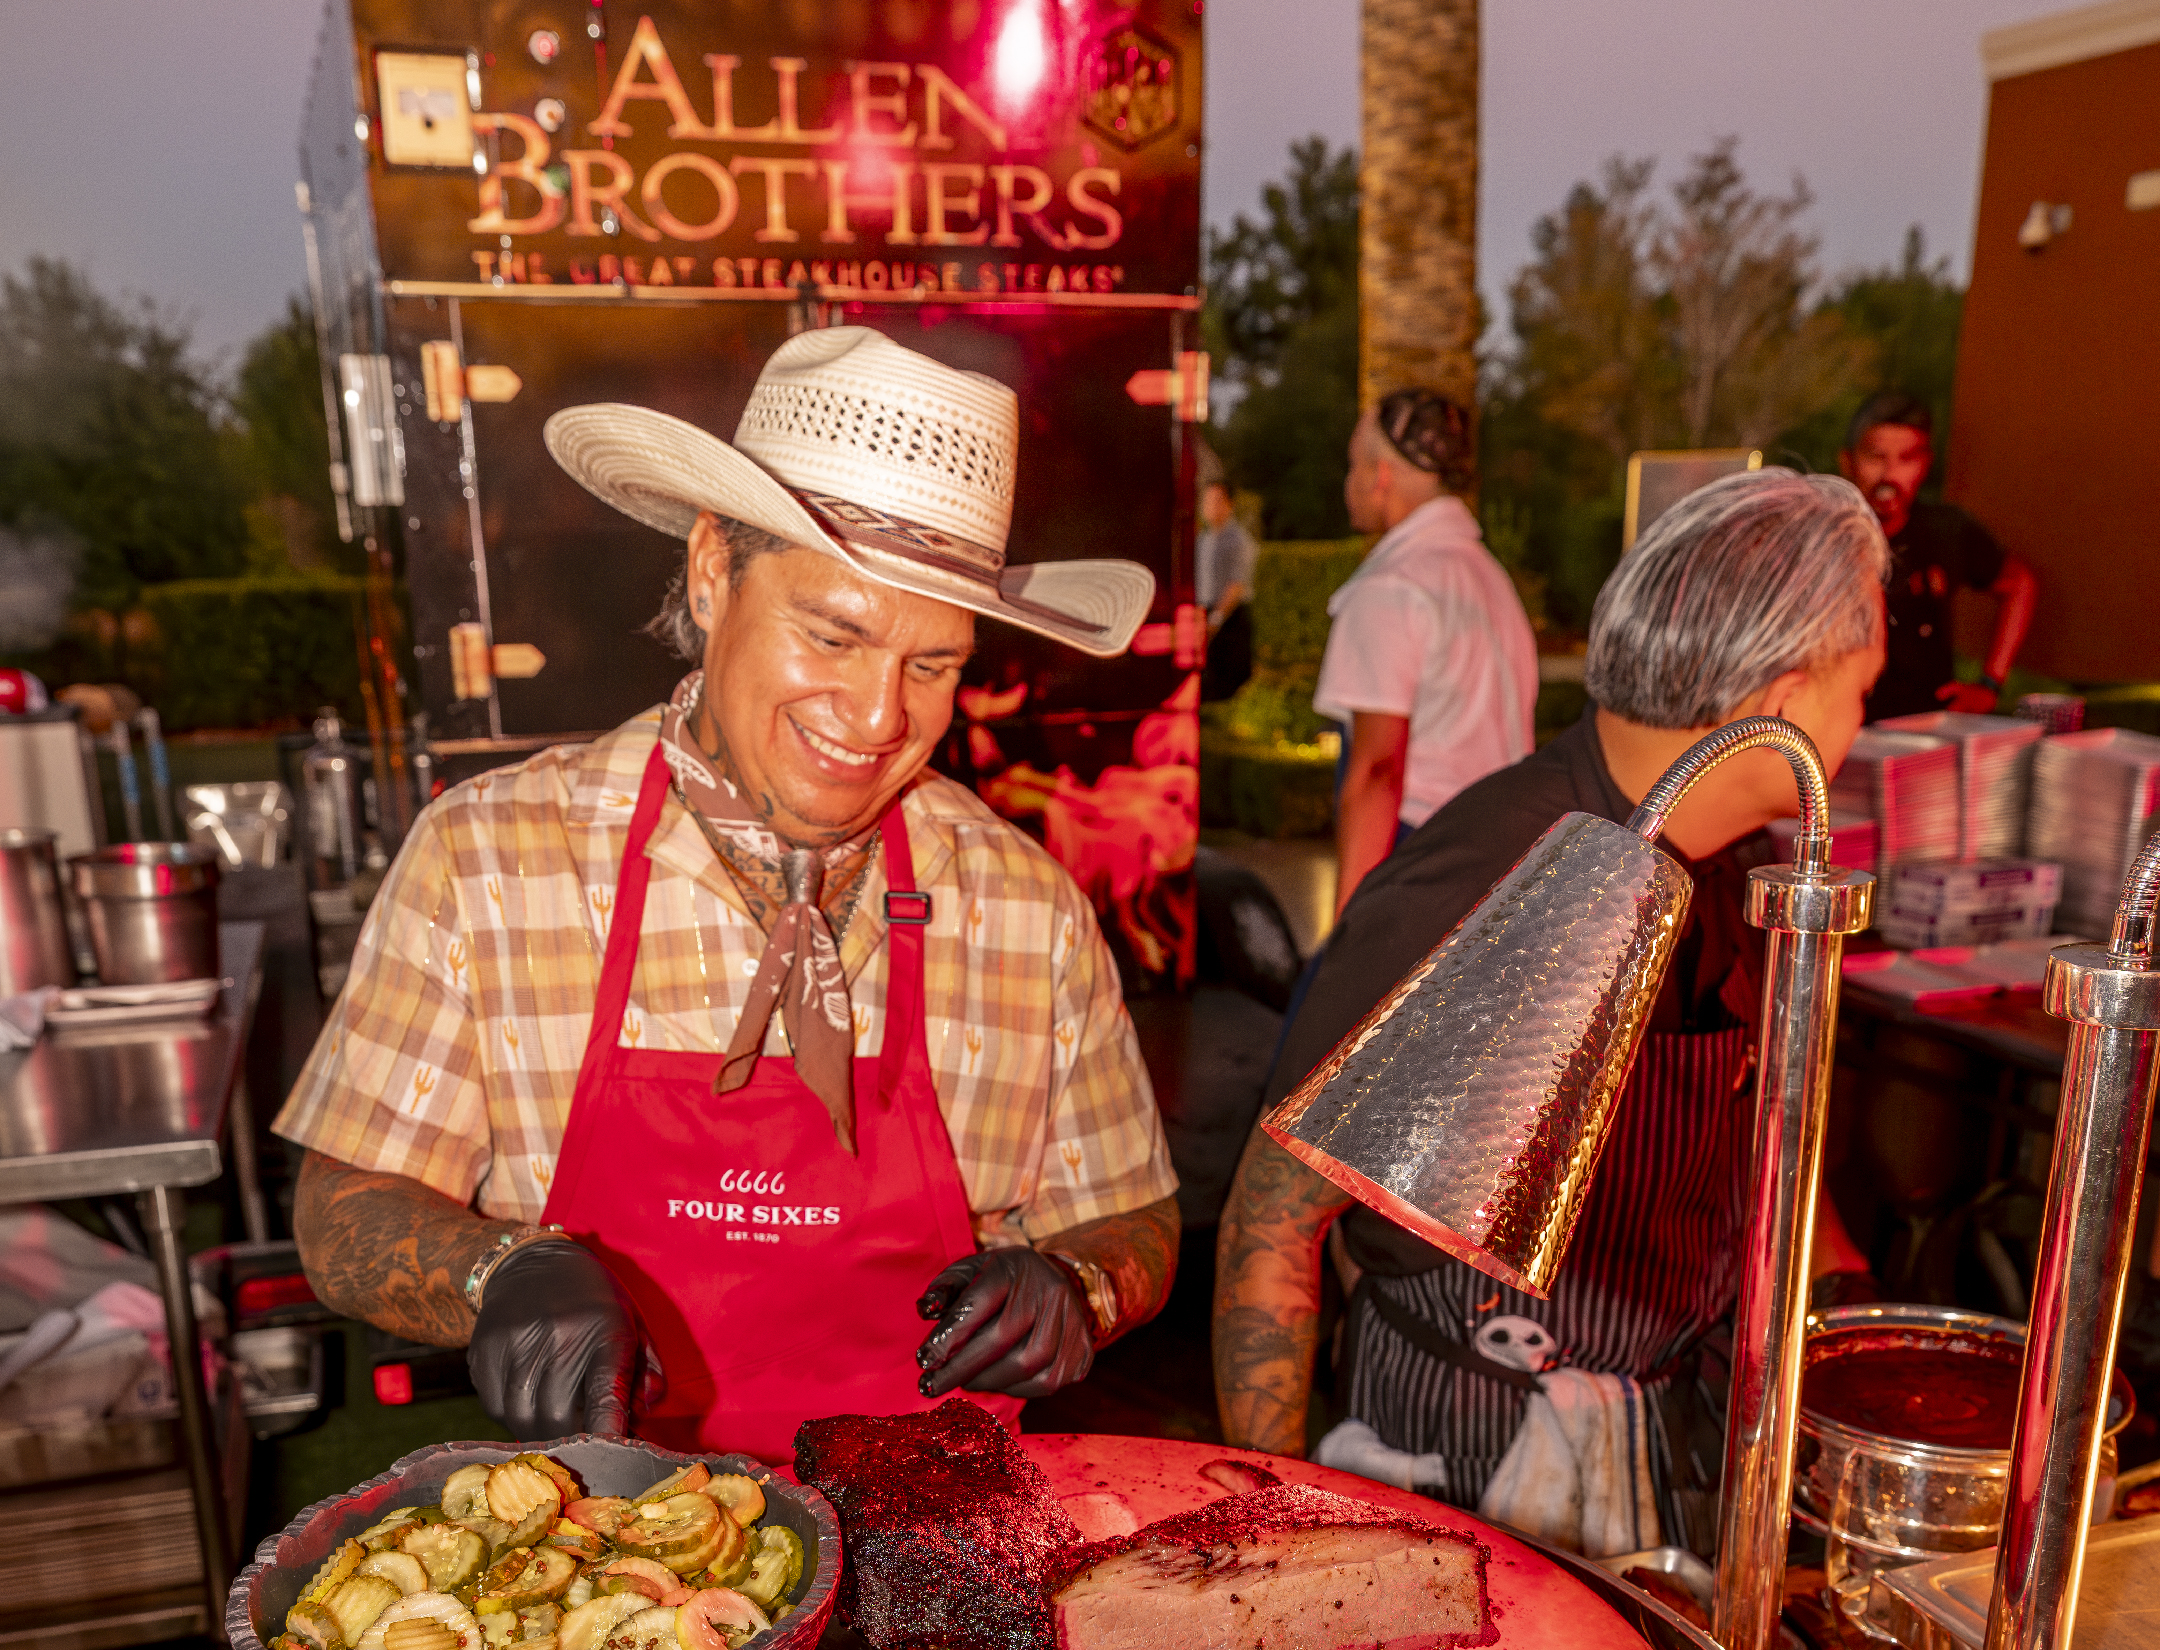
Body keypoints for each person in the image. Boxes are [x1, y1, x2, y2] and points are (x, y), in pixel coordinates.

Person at [279, 327, 1183, 1454]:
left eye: (933, 665)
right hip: (608, 1536)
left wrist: (1082, 1283)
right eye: (833, 636)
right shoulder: (490, 860)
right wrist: (495, 1269)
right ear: (714, 572)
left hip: (938, 1530)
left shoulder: (1025, 906)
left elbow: (1133, 1212)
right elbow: (343, 1206)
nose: (879, 718)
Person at [1213, 467, 1886, 1551]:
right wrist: (1273, 1526)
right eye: (1863, 691)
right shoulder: (1491, 872)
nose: (1863, 722)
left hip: (1646, 1440)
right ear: (1788, 701)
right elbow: (1272, 1222)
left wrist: (1847, 1302)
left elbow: (1757, 1133)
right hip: (1451, 1450)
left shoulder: (1733, 874)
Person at [1318, 389, 1538, 910]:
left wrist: (1352, 925)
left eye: (1353, 465)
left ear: (1380, 476)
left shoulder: (1391, 588)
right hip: (1506, 860)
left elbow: (1377, 772)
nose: (1348, 482)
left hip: (1423, 862)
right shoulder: (1488, 578)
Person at [1839, 389, 2035, 721]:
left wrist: (1990, 683)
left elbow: (2019, 584)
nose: (1890, 475)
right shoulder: (1826, 534)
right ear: (1848, 461)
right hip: (1844, 726)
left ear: (1925, 464)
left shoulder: (1946, 531)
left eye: (1907, 459)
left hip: (1931, 723)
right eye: (1875, 457)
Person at [1196, 473, 1257, 702]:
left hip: (1229, 620)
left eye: (1217, 501)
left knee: (1228, 682)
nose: (1211, 507)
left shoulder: (1239, 540)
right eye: (1207, 501)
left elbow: (1237, 584)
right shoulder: (1202, 540)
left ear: (1229, 504)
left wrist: (1216, 619)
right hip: (1205, 614)